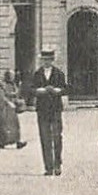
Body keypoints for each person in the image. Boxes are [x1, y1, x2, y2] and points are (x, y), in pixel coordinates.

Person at [30, 48, 68, 176]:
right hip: (42, 110)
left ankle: (57, 164)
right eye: (44, 60)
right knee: (45, 137)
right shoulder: (37, 74)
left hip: (56, 109)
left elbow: (65, 89)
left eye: (49, 60)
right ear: (42, 60)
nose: (46, 62)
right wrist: (39, 91)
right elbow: (31, 89)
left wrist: (58, 91)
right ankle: (48, 167)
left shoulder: (59, 73)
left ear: (52, 60)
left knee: (57, 137)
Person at [0, 70, 26, 150]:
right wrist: (8, 102)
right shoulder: (1, 84)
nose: (13, 77)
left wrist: (19, 88)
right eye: (11, 76)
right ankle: (0, 142)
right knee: (3, 125)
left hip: (12, 107)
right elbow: (1, 96)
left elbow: (16, 94)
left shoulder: (13, 84)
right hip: (4, 107)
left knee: (14, 125)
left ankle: (17, 141)